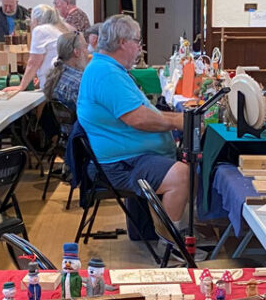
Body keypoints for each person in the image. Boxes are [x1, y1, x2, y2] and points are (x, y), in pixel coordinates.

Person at [77, 14, 189, 222]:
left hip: (128, 157)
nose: (139, 48)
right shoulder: (106, 74)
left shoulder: (108, 69)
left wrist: (179, 118)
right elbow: (138, 119)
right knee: (181, 175)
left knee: (189, 161)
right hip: (120, 164)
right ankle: (171, 246)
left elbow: (144, 112)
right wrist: (178, 122)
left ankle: (165, 230)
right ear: (122, 43)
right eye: (137, 42)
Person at [4, 4, 72, 93]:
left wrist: (21, 86)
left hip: (53, 83)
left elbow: (33, 62)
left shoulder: (40, 30)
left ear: (35, 19)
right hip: (65, 81)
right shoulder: (60, 29)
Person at [43, 31, 90, 110]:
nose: (87, 51)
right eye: (85, 47)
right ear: (77, 52)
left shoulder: (54, 75)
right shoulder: (80, 82)